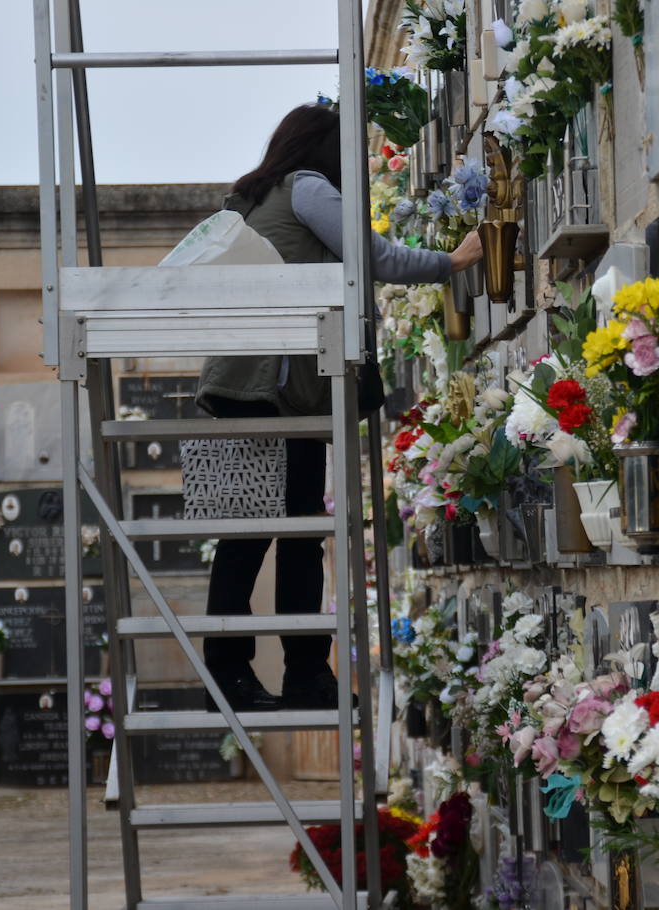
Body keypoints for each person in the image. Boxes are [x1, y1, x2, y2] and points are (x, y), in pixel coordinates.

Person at [195, 103, 483, 711]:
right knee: (281, 536)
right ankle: (271, 673)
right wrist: (450, 262)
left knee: (266, 534)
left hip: (249, 386)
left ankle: (275, 673)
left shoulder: (245, 198)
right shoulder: (305, 188)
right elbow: (369, 255)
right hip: (272, 393)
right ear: (324, 149)